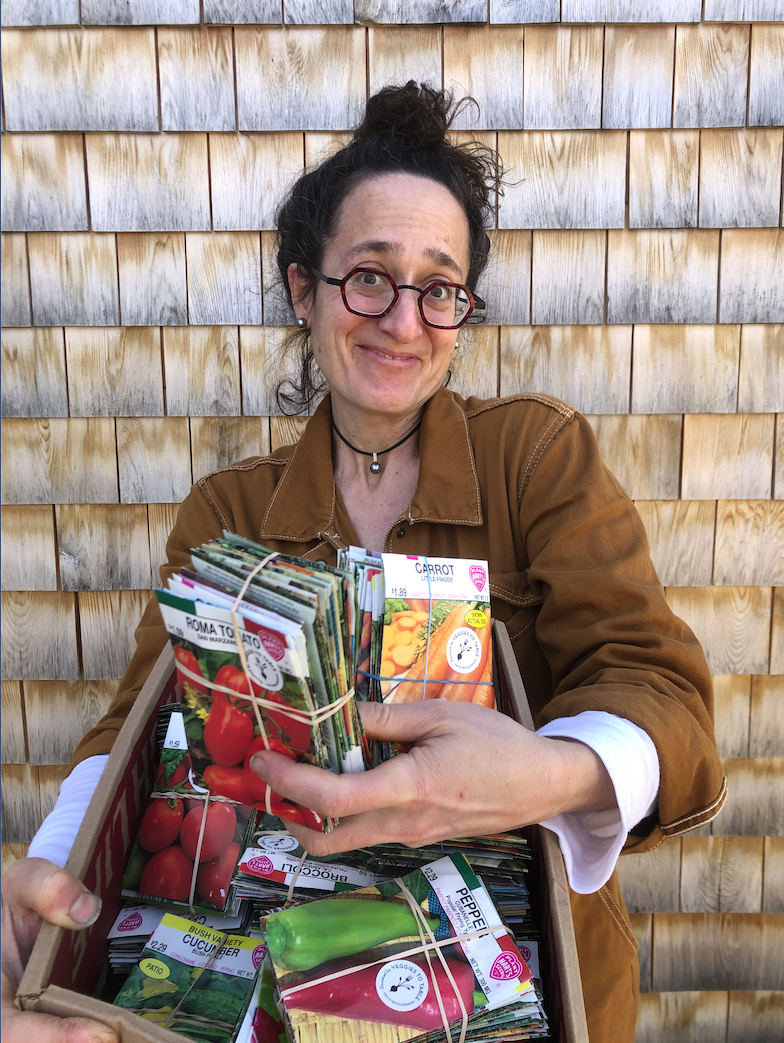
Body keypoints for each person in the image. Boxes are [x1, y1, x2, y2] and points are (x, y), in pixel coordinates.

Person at [3, 83, 726, 1043]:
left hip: (529, 987)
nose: (403, 320)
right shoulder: (229, 511)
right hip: (287, 979)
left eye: (440, 287)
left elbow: (659, 685)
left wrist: (544, 774)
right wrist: (48, 883)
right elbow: (132, 733)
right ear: (305, 290)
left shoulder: (535, 457)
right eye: (370, 276)